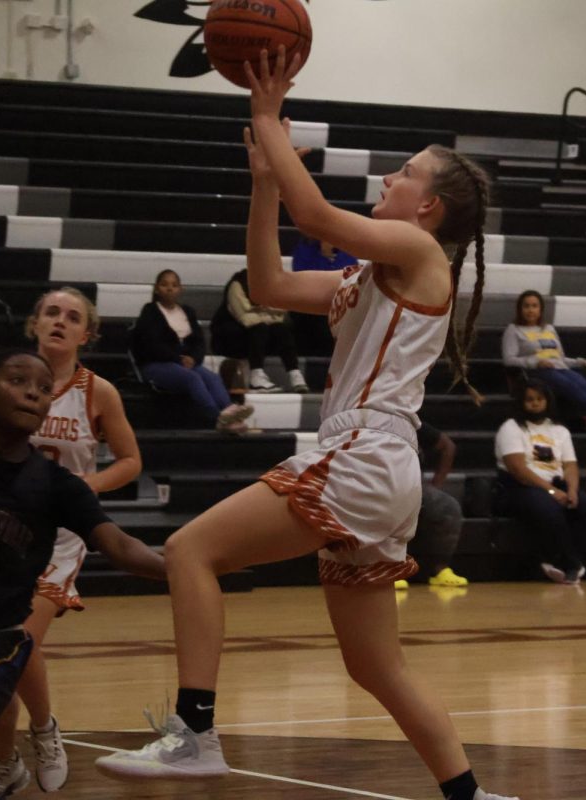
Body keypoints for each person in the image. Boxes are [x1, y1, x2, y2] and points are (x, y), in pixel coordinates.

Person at [94, 48, 516, 800]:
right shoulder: (365, 276)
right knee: (375, 665)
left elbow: (317, 215)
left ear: (428, 207)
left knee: (190, 550)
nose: (390, 178)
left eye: (404, 173)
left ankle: (193, 734)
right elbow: (270, 284)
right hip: (377, 465)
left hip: (366, 453)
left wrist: (266, 118)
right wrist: (264, 184)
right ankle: (469, 795)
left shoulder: (421, 251)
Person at [0, 349, 166, 800]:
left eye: (42, 389)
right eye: (18, 381)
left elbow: (120, 546)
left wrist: (189, 567)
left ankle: (31, 740)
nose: (32, 393)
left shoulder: (58, 485)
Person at [0, 289, 143, 799]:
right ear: (34, 324)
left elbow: (131, 461)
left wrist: (86, 486)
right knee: (1, 645)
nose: (60, 322)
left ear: (86, 334)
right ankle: (5, 762)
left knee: (16, 641)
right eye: (51, 313)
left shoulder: (98, 392)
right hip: (0, 527)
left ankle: (42, 733)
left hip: (59, 536)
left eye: (73, 317)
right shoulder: (7, 379)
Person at [495, 379, 586, 584]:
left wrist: (571, 490)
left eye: (539, 399)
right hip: (519, 487)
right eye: (529, 399)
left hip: (556, 484)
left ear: (547, 401)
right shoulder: (511, 428)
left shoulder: (559, 430)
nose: (535, 403)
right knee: (548, 508)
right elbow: (517, 469)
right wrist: (551, 491)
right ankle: (571, 564)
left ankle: (558, 559)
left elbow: (570, 465)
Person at [131, 269, 255, 433]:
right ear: (156, 289)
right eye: (164, 284)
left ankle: (230, 411)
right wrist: (177, 358)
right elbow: (151, 344)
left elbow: (198, 342)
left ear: (180, 289)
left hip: (185, 363)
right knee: (192, 378)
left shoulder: (188, 312)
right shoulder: (150, 312)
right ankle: (217, 418)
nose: (169, 288)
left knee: (212, 378)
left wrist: (193, 359)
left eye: (174, 285)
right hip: (157, 364)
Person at [502, 289, 586, 429]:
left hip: (558, 368)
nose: (530, 310)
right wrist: (535, 362)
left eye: (534, 306)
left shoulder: (549, 329)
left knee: (578, 379)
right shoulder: (513, 329)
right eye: (526, 306)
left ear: (540, 309)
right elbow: (509, 359)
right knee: (564, 381)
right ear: (520, 309)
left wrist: (582, 362)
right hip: (536, 371)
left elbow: (560, 358)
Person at [400, 421, 469, 590]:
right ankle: (389, 568)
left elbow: (448, 446)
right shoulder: (365, 421)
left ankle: (440, 570)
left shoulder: (409, 421)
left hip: (412, 487)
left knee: (447, 506)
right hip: (374, 487)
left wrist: (436, 485)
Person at [215, 268, 309, 392]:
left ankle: (294, 373)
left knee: (281, 329)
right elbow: (244, 317)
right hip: (233, 336)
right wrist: (267, 312)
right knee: (260, 328)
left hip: (264, 335)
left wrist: (262, 311)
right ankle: (256, 375)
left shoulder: (274, 284)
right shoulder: (238, 285)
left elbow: (281, 311)